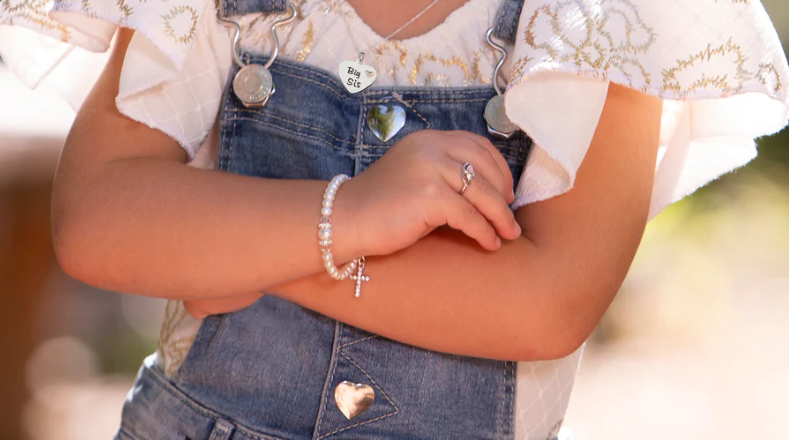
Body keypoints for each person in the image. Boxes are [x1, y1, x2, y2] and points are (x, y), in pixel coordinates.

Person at [2, 0, 787, 438]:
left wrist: (248, 249)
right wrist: (349, 215)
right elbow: (98, 221)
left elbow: (546, 304)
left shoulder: (605, 21)